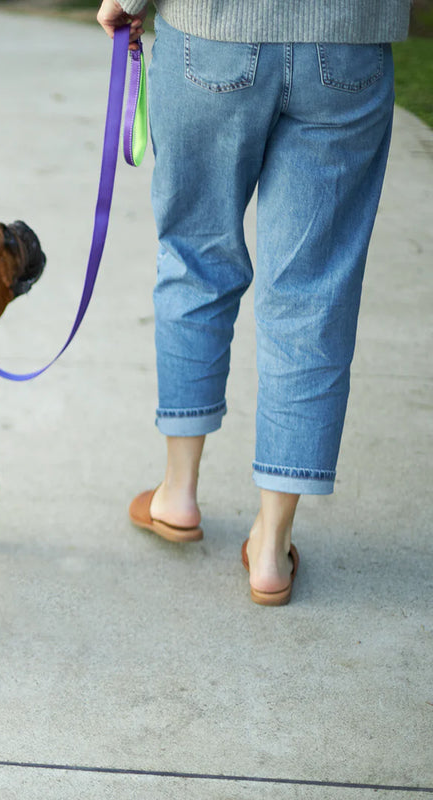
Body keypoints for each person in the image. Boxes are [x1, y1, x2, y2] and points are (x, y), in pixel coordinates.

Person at [97, 0, 412, 604]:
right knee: (312, 296)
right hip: (348, 39)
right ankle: (271, 546)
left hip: (214, 30)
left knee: (195, 261)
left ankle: (178, 494)